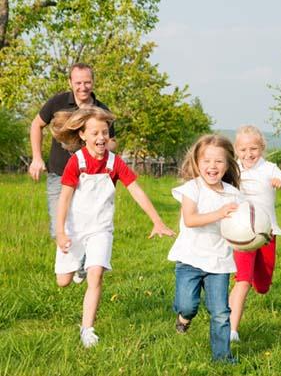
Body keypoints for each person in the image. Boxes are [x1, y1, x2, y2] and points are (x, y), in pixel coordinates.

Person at [50, 106, 175, 348]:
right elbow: (64, 198)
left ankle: (87, 329)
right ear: (83, 135)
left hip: (101, 229)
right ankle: (80, 268)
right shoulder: (77, 162)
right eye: (95, 133)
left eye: (104, 132)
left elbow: (136, 191)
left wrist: (157, 220)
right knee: (62, 281)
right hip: (75, 229)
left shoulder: (115, 163)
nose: (101, 138)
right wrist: (61, 232)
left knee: (96, 274)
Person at [29, 63, 115, 283]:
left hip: (88, 179)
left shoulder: (100, 109)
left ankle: (87, 261)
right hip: (59, 174)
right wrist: (37, 158)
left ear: (92, 82)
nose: (83, 87)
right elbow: (36, 125)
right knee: (57, 226)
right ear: (70, 82)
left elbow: (111, 141)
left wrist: (100, 146)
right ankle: (74, 263)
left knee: (90, 222)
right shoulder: (57, 103)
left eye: (87, 82)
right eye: (78, 82)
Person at [168, 134, 242, 363]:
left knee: (220, 312)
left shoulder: (233, 194)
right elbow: (190, 219)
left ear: (228, 164)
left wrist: (256, 236)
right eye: (206, 161)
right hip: (190, 259)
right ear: (197, 163)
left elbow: (242, 225)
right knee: (187, 305)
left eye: (218, 161)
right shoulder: (192, 189)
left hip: (219, 262)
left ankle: (222, 358)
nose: (212, 166)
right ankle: (183, 318)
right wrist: (219, 213)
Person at [228, 125, 281, 342]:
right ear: (236, 150)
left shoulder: (269, 168)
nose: (248, 154)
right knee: (243, 280)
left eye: (253, 149)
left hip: (267, 234)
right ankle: (230, 331)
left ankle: (256, 283)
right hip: (241, 234)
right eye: (243, 150)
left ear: (262, 148)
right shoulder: (233, 170)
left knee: (263, 284)